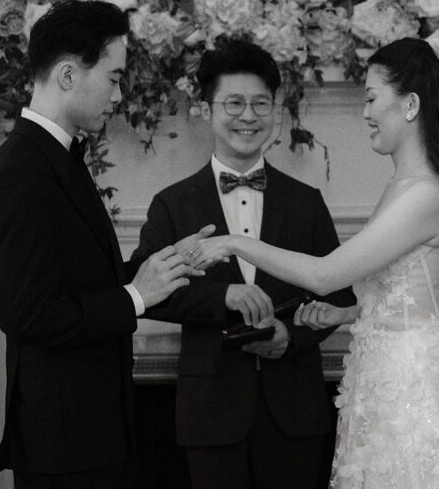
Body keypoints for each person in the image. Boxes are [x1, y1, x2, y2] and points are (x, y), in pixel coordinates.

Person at [191, 36, 439, 488]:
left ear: (410, 105)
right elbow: (406, 293)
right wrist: (346, 314)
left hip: (410, 388)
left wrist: (234, 243)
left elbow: (325, 274)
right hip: (381, 377)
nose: (365, 113)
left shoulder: (425, 193)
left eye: (370, 98)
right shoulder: (399, 188)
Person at [0, 0, 210, 489]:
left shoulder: (55, 157)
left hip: (91, 429)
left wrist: (166, 266)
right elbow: (31, 314)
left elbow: (83, 279)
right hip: (63, 439)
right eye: (113, 78)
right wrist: (136, 296)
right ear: (68, 74)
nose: (119, 95)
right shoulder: (21, 170)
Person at [131, 39, 356, 489]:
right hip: (210, 410)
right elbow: (148, 293)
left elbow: (340, 295)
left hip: (295, 408)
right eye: (234, 103)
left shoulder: (306, 202)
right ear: (206, 110)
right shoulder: (172, 204)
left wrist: (290, 336)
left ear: (276, 110)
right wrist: (224, 296)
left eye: (260, 103)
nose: (248, 116)